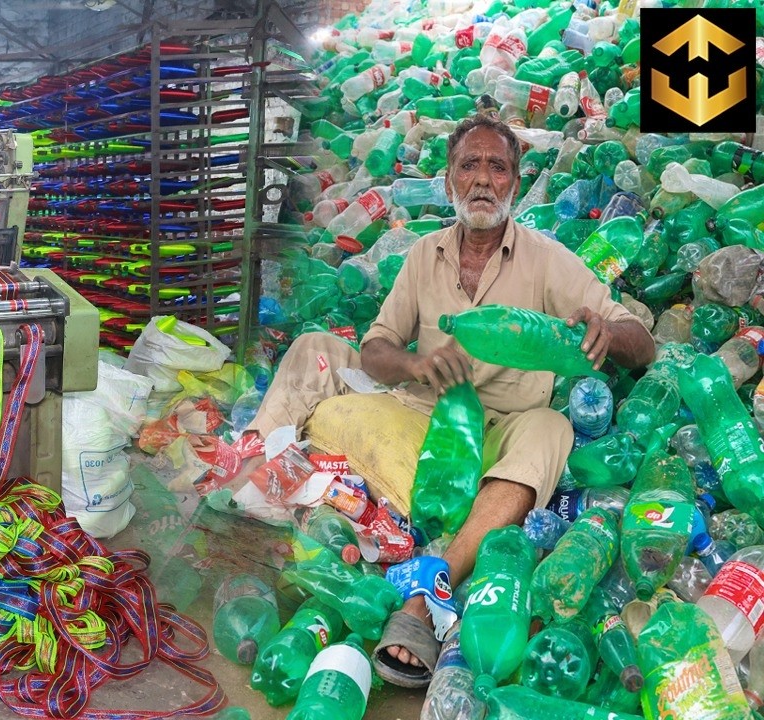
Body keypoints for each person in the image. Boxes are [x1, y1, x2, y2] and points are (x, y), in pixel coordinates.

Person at [237, 114, 655, 688]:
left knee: (551, 429)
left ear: (515, 180)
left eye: (498, 167)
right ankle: (255, 476)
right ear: (449, 179)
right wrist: (413, 362)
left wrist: (606, 332)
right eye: (470, 165)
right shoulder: (424, 252)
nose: (484, 178)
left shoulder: (546, 258)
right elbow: (378, 344)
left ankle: (431, 586)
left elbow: (643, 343)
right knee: (316, 346)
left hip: (496, 428)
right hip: (421, 404)